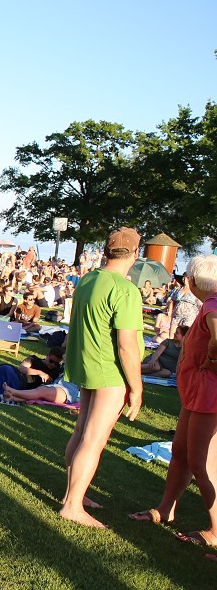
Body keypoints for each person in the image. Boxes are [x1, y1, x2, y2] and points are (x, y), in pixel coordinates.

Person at [128, 255, 217, 550]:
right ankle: (166, 509)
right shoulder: (209, 304)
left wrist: (211, 360)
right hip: (196, 393)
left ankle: (216, 530)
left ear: (191, 282)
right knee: (180, 451)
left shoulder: (213, 304)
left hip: (209, 395)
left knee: (203, 464)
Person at [59, 227, 144, 528]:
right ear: (135, 253)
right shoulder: (125, 289)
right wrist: (136, 387)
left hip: (87, 365)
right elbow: (127, 345)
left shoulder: (88, 279)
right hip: (110, 371)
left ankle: (74, 494)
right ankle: (72, 505)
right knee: (93, 439)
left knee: (82, 432)